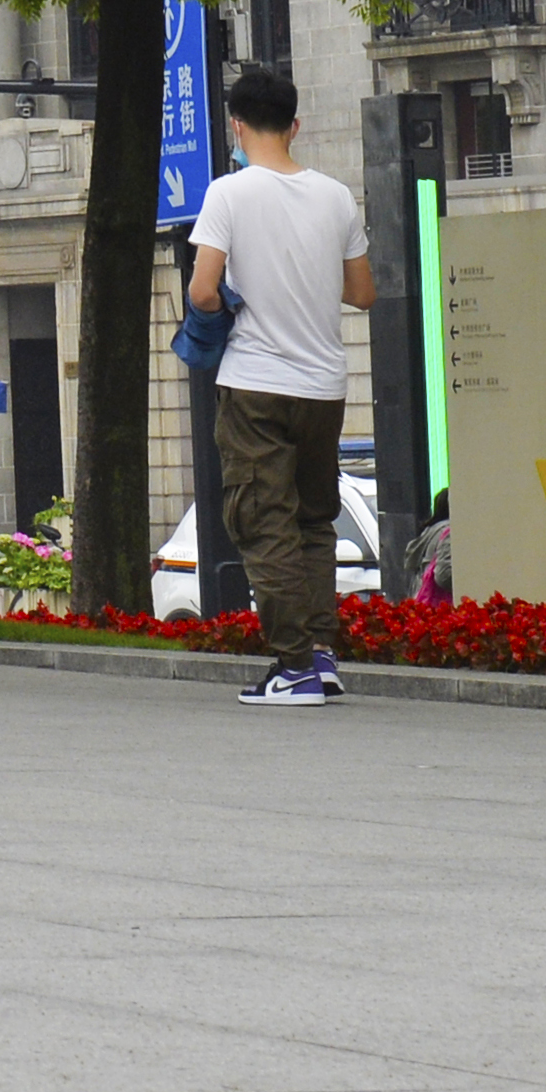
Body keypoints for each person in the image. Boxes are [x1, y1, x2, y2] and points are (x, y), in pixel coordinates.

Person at [188, 62, 375, 705]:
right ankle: (321, 655)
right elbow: (363, 293)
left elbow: (203, 289)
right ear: (295, 125)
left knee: (263, 522)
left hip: (255, 383)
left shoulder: (228, 194)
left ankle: (291, 664)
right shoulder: (335, 196)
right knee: (314, 520)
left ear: (235, 126)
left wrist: (224, 315)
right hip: (324, 384)